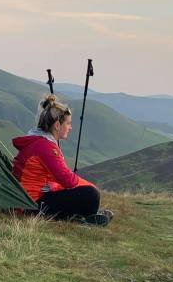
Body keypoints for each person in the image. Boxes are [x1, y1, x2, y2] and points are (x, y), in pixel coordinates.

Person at [11, 94, 113, 226]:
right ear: (57, 125)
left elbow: (57, 179)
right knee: (91, 194)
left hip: (28, 201)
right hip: (31, 206)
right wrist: (90, 186)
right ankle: (84, 217)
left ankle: (84, 216)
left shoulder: (40, 141)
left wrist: (56, 186)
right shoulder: (45, 146)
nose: (70, 127)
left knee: (83, 192)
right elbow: (68, 179)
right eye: (68, 123)